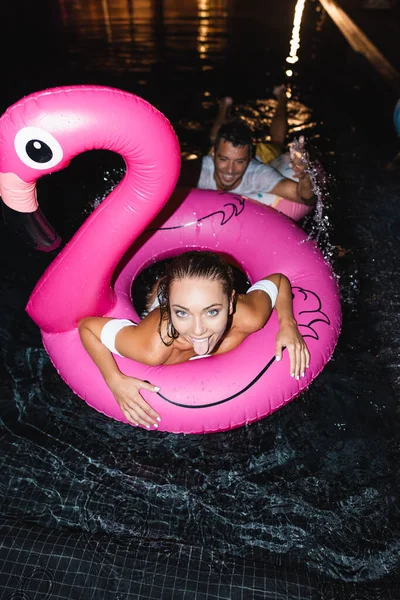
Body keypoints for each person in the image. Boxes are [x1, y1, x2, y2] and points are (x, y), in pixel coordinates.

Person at [79, 251, 310, 429]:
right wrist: (114, 379)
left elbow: (279, 281)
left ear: (230, 303)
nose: (198, 330)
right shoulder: (153, 347)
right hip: (160, 308)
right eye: (182, 314)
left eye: (212, 312)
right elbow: (87, 327)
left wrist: (288, 325)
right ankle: (165, 294)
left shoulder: (248, 317)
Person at [179, 86, 316, 208]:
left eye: (239, 162)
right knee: (215, 141)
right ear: (214, 155)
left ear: (249, 158)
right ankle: (224, 106)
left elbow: (305, 198)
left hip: (262, 154)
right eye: (224, 160)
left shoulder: (258, 175)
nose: (230, 170)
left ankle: (282, 96)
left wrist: (305, 176)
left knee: (277, 143)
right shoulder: (198, 171)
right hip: (217, 153)